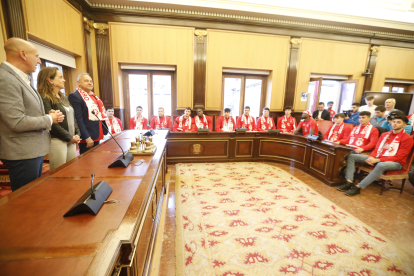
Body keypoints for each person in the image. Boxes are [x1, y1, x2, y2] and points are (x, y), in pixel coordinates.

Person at [0, 38, 64, 191]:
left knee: (32, 197)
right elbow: (16, 121)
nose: (39, 60)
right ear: (23, 54)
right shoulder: (5, 79)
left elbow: (26, 111)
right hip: (22, 152)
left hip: (30, 150)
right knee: (25, 203)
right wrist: (49, 119)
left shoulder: (20, 77)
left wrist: (46, 115)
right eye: (36, 56)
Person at [337, 114, 413, 196]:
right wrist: (371, 157)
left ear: (404, 125)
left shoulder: (407, 139)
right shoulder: (385, 135)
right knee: (351, 156)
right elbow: (376, 149)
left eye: (398, 122)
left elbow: (399, 157)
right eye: (394, 121)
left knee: (381, 165)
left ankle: (358, 187)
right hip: (379, 157)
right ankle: (349, 182)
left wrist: (377, 160)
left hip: (395, 162)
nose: (395, 124)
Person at [38, 67, 80, 171]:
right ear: (50, 80)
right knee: (59, 173)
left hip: (70, 139)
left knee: (72, 171)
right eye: (60, 77)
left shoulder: (63, 97)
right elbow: (51, 123)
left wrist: (77, 133)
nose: (64, 80)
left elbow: (72, 117)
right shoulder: (44, 97)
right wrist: (69, 137)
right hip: (57, 140)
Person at [68, 73, 108, 154]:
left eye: (91, 81)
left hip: (97, 133)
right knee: (87, 163)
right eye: (86, 81)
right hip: (87, 136)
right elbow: (78, 119)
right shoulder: (75, 96)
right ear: (78, 82)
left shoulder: (93, 96)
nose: (90, 83)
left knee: (97, 159)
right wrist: (86, 137)